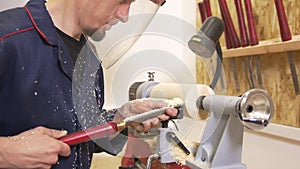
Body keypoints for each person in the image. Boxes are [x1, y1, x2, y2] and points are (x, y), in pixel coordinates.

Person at [0, 0, 176, 168]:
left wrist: (121, 118)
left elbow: (79, 135)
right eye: (121, 1)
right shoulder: (7, 38)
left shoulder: (90, 60)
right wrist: (7, 152)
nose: (125, 16)